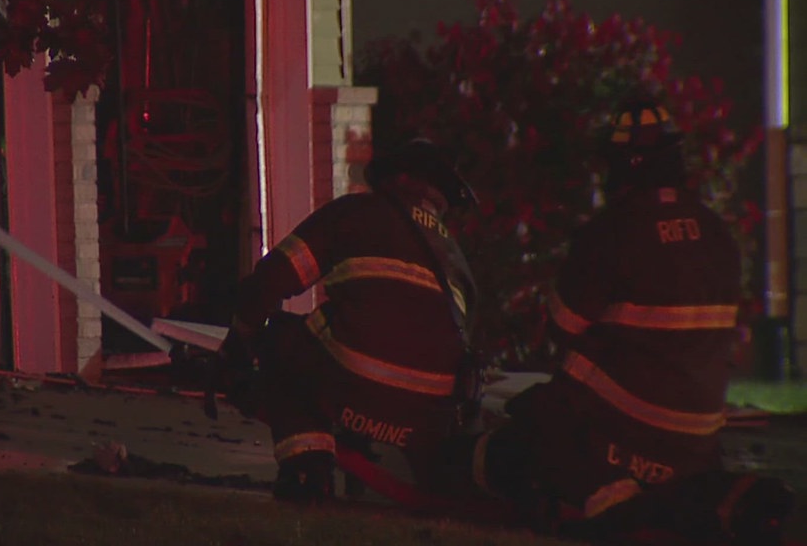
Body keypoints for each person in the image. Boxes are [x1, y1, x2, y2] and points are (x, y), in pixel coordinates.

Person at [451, 100, 794, 544]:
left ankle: (605, 499)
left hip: (621, 433)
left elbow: (564, 325)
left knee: (529, 423)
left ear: (622, 166)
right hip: (697, 441)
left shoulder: (613, 229)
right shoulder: (717, 233)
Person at [209, 137, 483, 503]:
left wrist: (237, 345)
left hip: (351, 390)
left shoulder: (358, 213)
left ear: (395, 178)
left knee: (280, 338)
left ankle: (307, 470)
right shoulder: (457, 259)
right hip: (427, 419)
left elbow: (270, 281)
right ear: (441, 199)